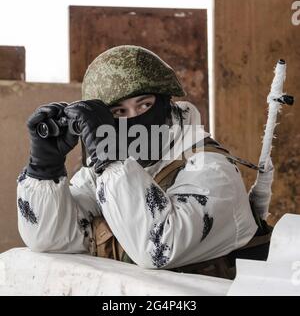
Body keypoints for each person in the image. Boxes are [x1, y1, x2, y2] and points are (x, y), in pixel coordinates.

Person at [17, 45, 260, 276]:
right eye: (119, 112)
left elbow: (158, 248)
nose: (134, 119)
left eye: (144, 104)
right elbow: (50, 238)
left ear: (166, 105)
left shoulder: (211, 169)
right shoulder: (103, 173)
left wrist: (111, 158)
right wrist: (44, 168)